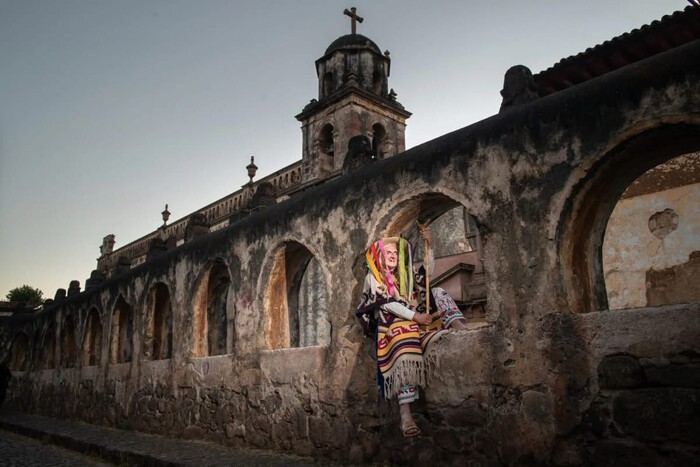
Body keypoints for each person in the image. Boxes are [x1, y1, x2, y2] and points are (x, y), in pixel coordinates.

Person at [355, 226, 468, 437]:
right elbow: (386, 304)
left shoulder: (405, 275)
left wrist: (429, 246)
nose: (392, 255)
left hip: (417, 320)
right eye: (388, 252)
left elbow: (428, 271)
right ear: (379, 255)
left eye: (395, 253)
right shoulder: (374, 277)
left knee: (438, 292)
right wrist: (414, 317)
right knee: (403, 339)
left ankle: (459, 328)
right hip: (392, 327)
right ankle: (405, 414)